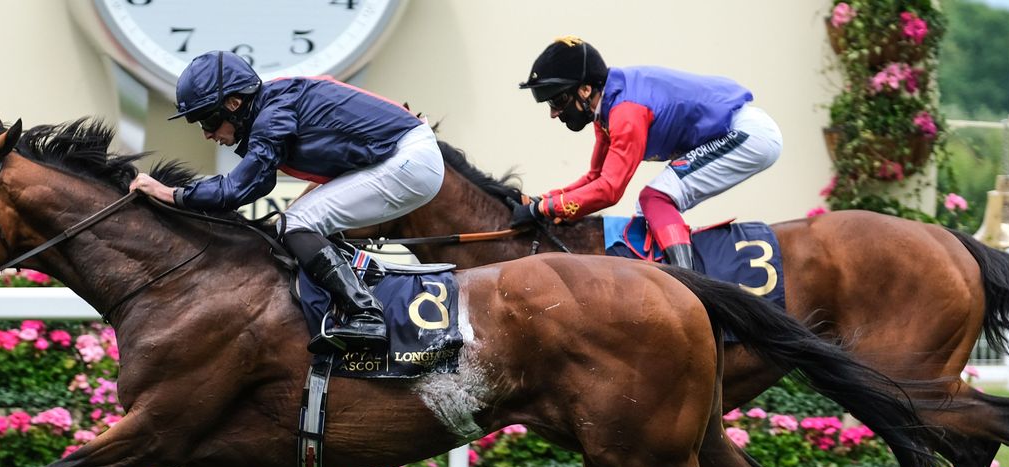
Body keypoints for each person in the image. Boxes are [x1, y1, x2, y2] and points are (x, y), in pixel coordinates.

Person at [129, 50, 445, 353]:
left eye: (207, 120)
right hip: (404, 157)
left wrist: (171, 194)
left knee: (295, 223)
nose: (207, 135)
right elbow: (261, 183)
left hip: (409, 160)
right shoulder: (274, 106)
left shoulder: (274, 115)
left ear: (234, 103)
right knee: (296, 224)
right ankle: (355, 300)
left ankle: (366, 315)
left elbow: (238, 189)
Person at [513, 36, 783, 269]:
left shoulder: (625, 111)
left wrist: (544, 209)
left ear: (585, 90)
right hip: (738, 130)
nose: (553, 113)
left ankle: (689, 284)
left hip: (748, 133)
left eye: (558, 100)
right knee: (648, 205)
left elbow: (609, 191)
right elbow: (596, 177)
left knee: (654, 198)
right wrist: (544, 200)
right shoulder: (606, 110)